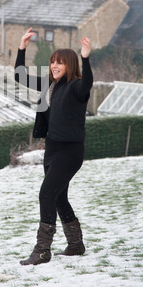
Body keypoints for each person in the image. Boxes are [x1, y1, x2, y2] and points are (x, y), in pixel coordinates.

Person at [14, 28, 93, 266]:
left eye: (59, 63)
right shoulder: (50, 85)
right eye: (52, 63)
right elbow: (20, 77)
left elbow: (87, 82)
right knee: (58, 198)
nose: (54, 66)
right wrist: (21, 48)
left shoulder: (77, 87)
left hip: (70, 152)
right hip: (52, 149)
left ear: (70, 65)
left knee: (46, 193)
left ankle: (42, 251)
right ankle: (76, 245)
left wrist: (86, 58)